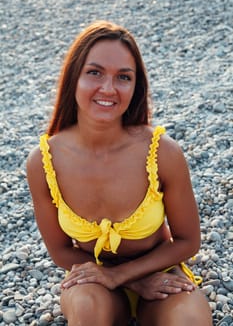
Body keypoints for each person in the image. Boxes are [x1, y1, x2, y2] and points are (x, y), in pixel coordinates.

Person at [26, 20, 212, 326]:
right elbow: (60, 251)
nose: (108, 88)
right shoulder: (44, 162)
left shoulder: (161, 152)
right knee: (88, 313)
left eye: (123, 77)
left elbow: (188, 241)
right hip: (91, 282)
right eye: (94, 72)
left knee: (188, 321)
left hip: (159, 273)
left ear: (135, 85)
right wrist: (119, 280)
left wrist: (123, 274)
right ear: (74, 77)